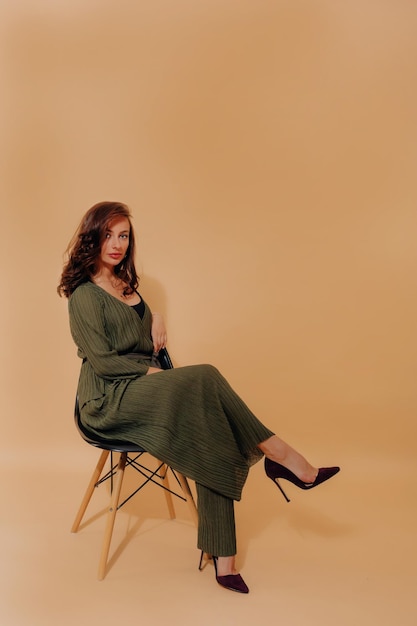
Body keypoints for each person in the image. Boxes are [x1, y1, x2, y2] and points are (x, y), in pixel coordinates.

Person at [58, 201, 340, 594]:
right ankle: (281, 457)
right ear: (92, 237)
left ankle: (224, 558)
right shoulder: (84, 296)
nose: (117, 244)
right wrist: (158, 373)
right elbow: (105, 365)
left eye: (124, 235)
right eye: (108, 235)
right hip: (107, 401)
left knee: (213, 432)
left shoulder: (126, 287)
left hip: (145, 389)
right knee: (204, 376)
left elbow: (144, 340)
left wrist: (156, 317)